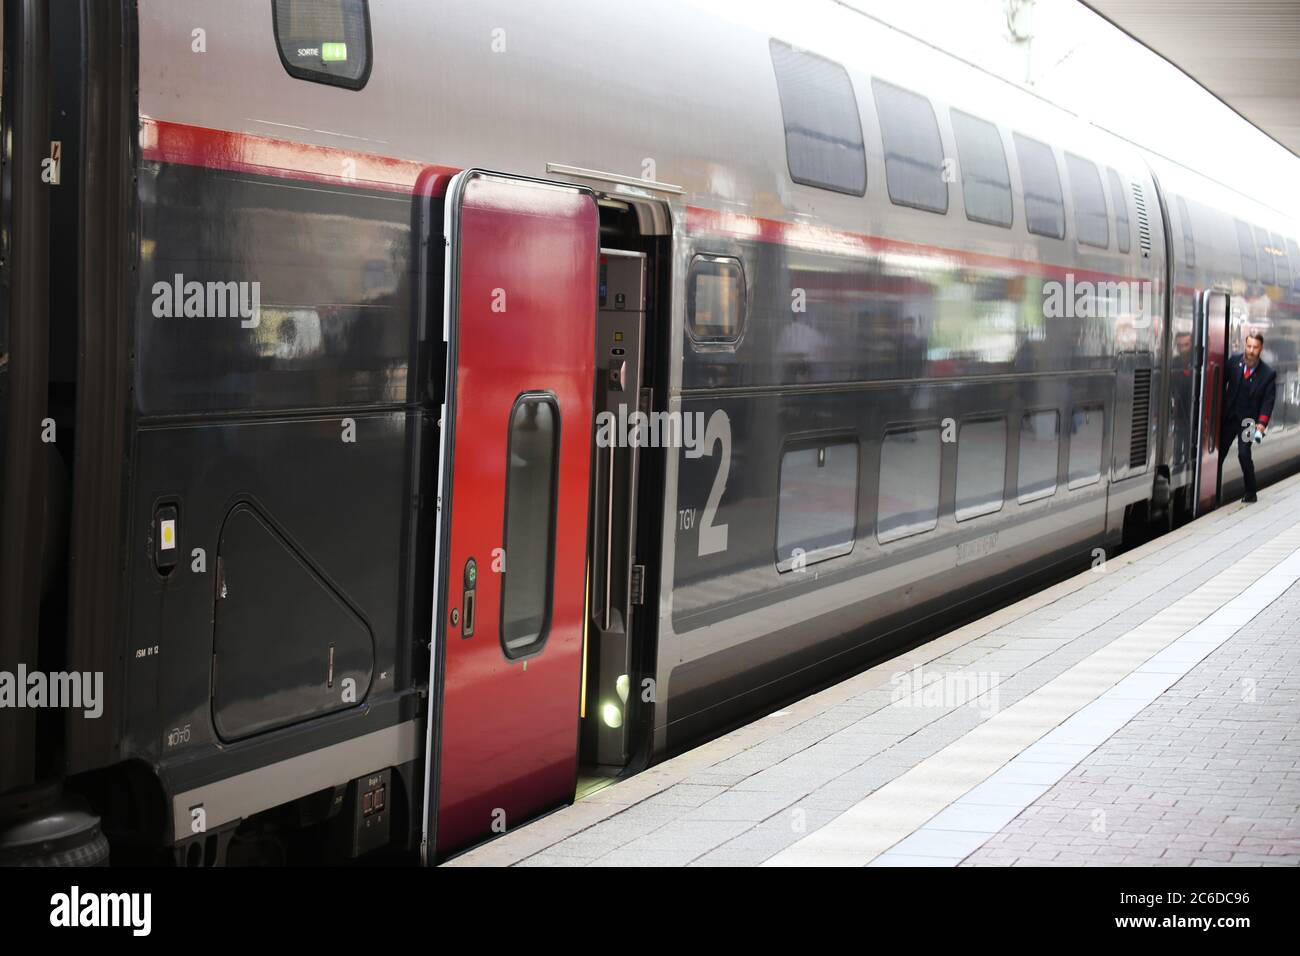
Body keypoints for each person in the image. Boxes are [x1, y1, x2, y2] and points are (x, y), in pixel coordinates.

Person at [1221, 331, 1276, 503]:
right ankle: (1213, 488)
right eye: (1249, 346)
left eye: (1255, 347)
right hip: (1230, 418)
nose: (1251, 351)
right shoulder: (1233, 363)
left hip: (1250, 422)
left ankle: (1251, 492)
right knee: (1218, 454)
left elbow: (1268, 401)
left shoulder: (1268, 374)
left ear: (1261, 349)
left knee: (1244, 454)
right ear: (1245, 345)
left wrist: (1261, 424)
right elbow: (1220, 384)